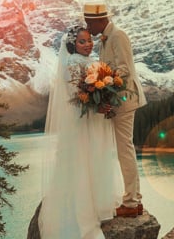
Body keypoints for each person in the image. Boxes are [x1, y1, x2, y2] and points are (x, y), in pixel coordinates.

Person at [38, 26, 124, 238]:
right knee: (85, 162)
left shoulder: (87, 61)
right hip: (82, 123)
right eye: (82, 42)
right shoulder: (73, 63)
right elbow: (76, 96)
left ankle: (95, 206)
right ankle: (85, 215)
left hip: (91, 120)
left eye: (89, 40)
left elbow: (90, 91)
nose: (88, 45)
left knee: (91, 161)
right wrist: (97, 105)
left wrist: (104, 99)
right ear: (72, 44)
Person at [84, 2, 148, 218]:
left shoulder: (117, 36)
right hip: (119, 101)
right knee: (125, 150)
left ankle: (130, 203)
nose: (87, 27)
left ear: (100, 20)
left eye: (89, 23)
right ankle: (135, 200)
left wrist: (103, 87)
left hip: (125, 101)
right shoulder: (105, 39)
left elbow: (124, 70)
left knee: (125, 151)